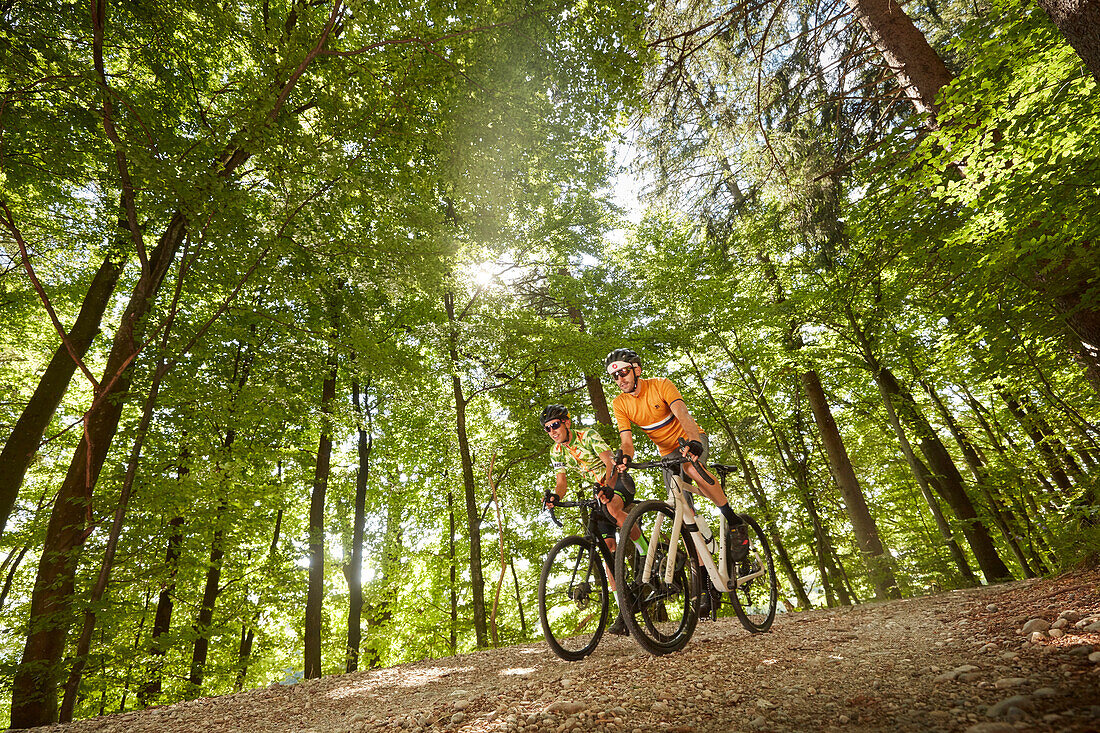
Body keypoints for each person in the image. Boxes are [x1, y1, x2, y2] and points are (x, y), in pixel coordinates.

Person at [604, 348, 748, 619]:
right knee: (682, 515)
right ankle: (705, 584)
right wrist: (624, 457)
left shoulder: (661, 385)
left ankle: (734, 520)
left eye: (623, 372)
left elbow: (683, 415)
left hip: (691, 440)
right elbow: (627, 440)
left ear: (637, 370)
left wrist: (693, 441)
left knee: (692, 469)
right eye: (614, 376)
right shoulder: (620, 403)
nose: (619, 379)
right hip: (666, 454)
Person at [540, 404, 637, 635]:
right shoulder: (556, 451)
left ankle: (646, 551)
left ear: (567, 423)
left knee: (612, 509)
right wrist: (555, 497)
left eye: (555, 425)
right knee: (608, 550)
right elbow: (561, 484)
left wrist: (607, 487)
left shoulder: (588, 436)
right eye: (547, 429)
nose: (552, 431)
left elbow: (609, 462)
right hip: (597, 492)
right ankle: (625, 609)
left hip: (617, 481)